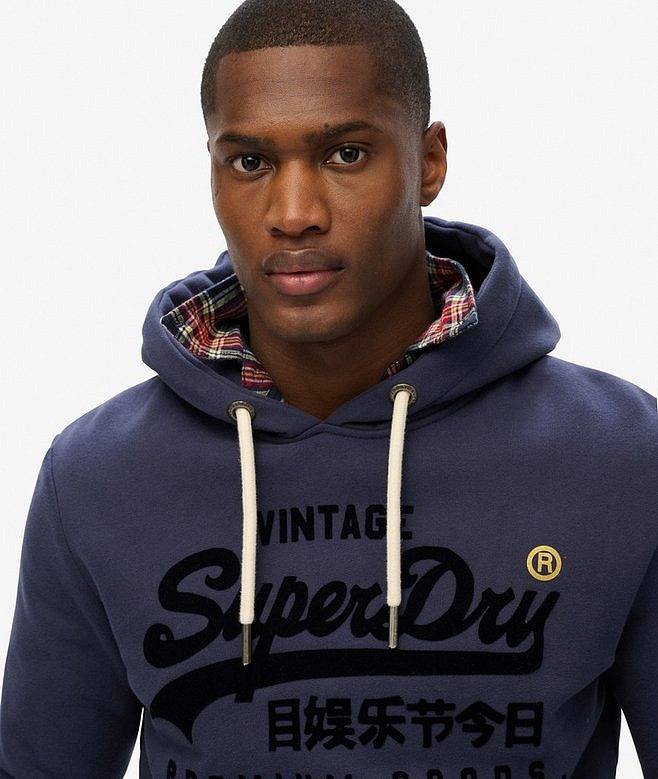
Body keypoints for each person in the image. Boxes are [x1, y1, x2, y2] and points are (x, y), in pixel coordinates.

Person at [1, 0, 656, 776]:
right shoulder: (95, 477)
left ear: (429, 162)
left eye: (345, 154)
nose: (294, 214)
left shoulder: (623, 459)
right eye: (250, 162)